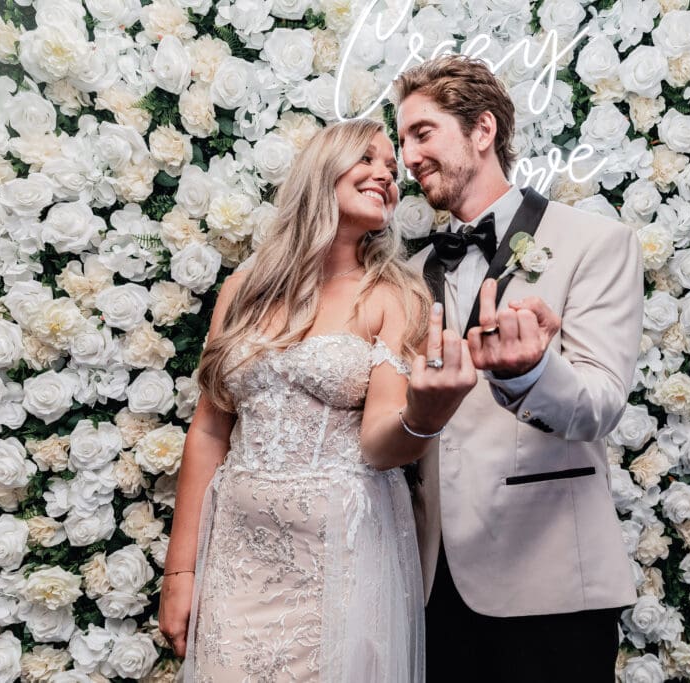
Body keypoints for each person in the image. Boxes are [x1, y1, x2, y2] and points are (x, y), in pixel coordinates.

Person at [157, 118, 477, 682]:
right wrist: (180, 575)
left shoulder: (393, 295)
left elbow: (382, 443)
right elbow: (209, 432)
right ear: (322, 169)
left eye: (393, 169)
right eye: (369, 159)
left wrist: (424, 417)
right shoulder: (244, 288)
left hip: (340, 556)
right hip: (237, 555)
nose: (386, 173)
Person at [394, 55, 644, 682]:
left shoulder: (596, 241)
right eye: (402, 141)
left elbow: (600, 404)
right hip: (432, 583)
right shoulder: (406, 272)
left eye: (423, 133)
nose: (408, 156)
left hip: (551, 580)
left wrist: (531, 372)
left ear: (483, 131)